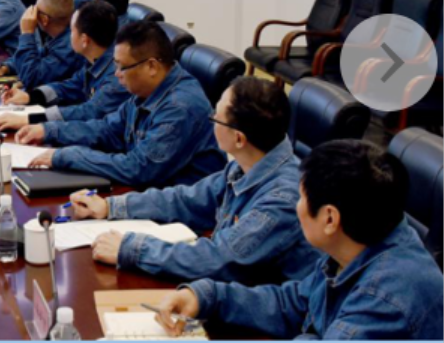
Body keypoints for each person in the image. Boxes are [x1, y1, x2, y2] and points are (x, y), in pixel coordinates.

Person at [154, 140, 443, 340]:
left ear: (329, 219)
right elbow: (298, 303)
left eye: (301, 197)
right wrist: (206, 296)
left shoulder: (384, 301)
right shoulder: (360, 240)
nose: (296, 207)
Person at [68, 77, 319, 285]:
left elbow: (218, 259)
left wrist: (130, 249)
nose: (211, 120)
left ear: (239, 139)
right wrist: (110, 206)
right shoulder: (249, 163)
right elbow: (187, 199)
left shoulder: (282, 199)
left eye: (216, 117)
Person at [23, 21, 225, 188]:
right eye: (115, 64)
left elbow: (138, 169)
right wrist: (50, 130)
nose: (116, 74)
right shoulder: (148, 90)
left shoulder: (180, 107)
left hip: (176, 212)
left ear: (152, 66)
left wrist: (69, 155)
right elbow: (107, 129)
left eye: (122, 67)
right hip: (146, 194)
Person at [0, 0, 127, 132]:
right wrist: (30, 97)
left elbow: (88, 112)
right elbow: (71, 86)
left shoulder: (116, 77)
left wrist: (30, 119)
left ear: (85, 40)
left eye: (72, 30)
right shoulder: (95, 60)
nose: (69, 36)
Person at [0, 0, 85, 89]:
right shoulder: (58, 36)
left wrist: (26, 33)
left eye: (36, 10)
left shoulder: (69, 46)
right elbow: (36, 58)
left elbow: (31, 79)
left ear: (44, 19)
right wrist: (5, 67)